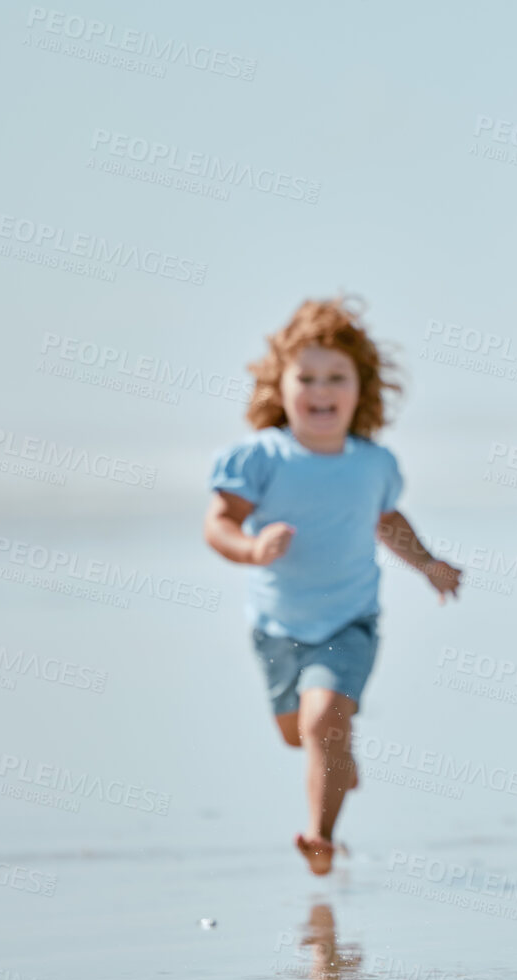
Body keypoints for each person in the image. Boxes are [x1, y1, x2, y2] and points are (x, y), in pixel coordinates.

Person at [204, 298, 461, 875]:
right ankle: (337, 758)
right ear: (280, 385)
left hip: (350, 622)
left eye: (336, 377)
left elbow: (389, 522)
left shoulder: (373, 463)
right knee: (300, 736)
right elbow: (217, 523)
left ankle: (320, 837)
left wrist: (428, 564)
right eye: (307, 377)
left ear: (360, 389)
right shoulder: (260, 458)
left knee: (323, 721)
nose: (322, 390)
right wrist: (250, 547)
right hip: (275, 627)